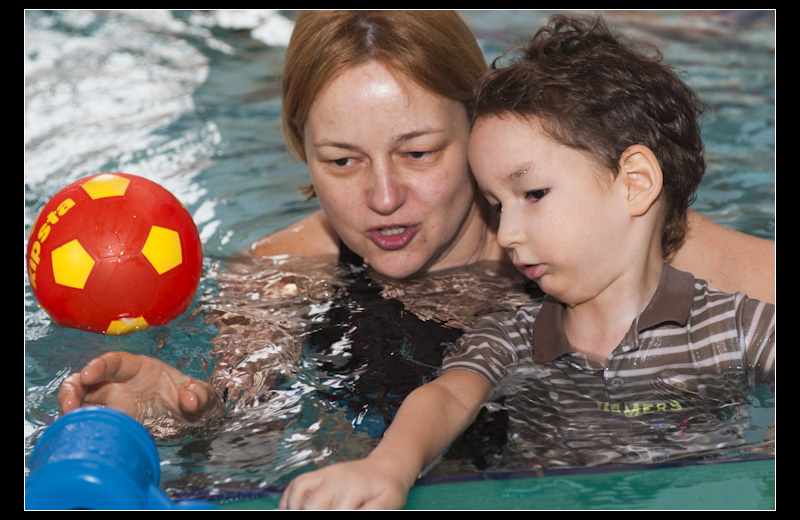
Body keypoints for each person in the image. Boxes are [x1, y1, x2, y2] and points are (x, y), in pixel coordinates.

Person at [58, 11, 774, 439]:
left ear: (482, 131)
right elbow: (240, 420)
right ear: (301, 152)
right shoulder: (282, 276)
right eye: (342, 161)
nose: (383, 197)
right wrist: (182, 414)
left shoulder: (604, 235)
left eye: (420, 152)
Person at [278, 14, 775, 510]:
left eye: (534, 194)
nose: (507, 233)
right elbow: (446, 397)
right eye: (496, 205)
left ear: (636, 184)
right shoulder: (514, 334)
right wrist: (389, 466)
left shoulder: (732, 323)